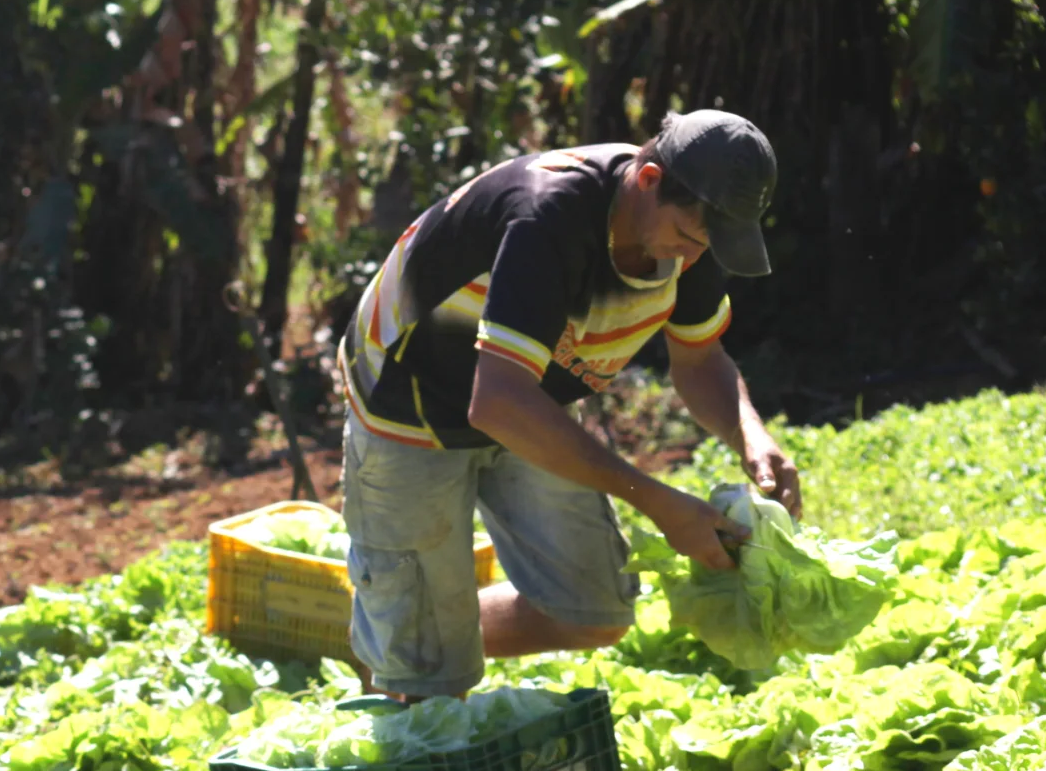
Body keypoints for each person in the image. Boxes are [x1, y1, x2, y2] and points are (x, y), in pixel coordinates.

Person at [335, 109, 805, 699]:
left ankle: (401, 636)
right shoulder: (547, 216)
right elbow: (498, 405)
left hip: (525, 394)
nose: (691, 257)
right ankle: (404, 655)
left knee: (594, 612)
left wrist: (752, 437)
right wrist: (658, 501)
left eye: (707, 243)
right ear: (649, 178)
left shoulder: (695, 228)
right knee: (426, 686)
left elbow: (700, 358)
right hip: (410, 399)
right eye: (688, 237)